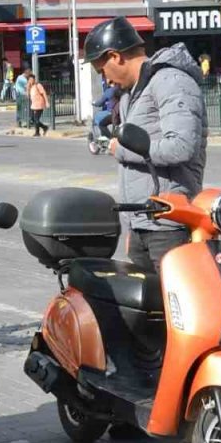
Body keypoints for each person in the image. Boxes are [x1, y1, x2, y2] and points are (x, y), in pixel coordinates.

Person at [83, 16, 207, 277]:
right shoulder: (132, 93)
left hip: (169, 224)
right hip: (143, 223)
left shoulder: (171, 81)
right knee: (144, 302)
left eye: (101, 71)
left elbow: (182, 146)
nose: (105, 80)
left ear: (115, 56)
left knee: (176, 300)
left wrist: (121, 150)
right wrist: (132, 224)